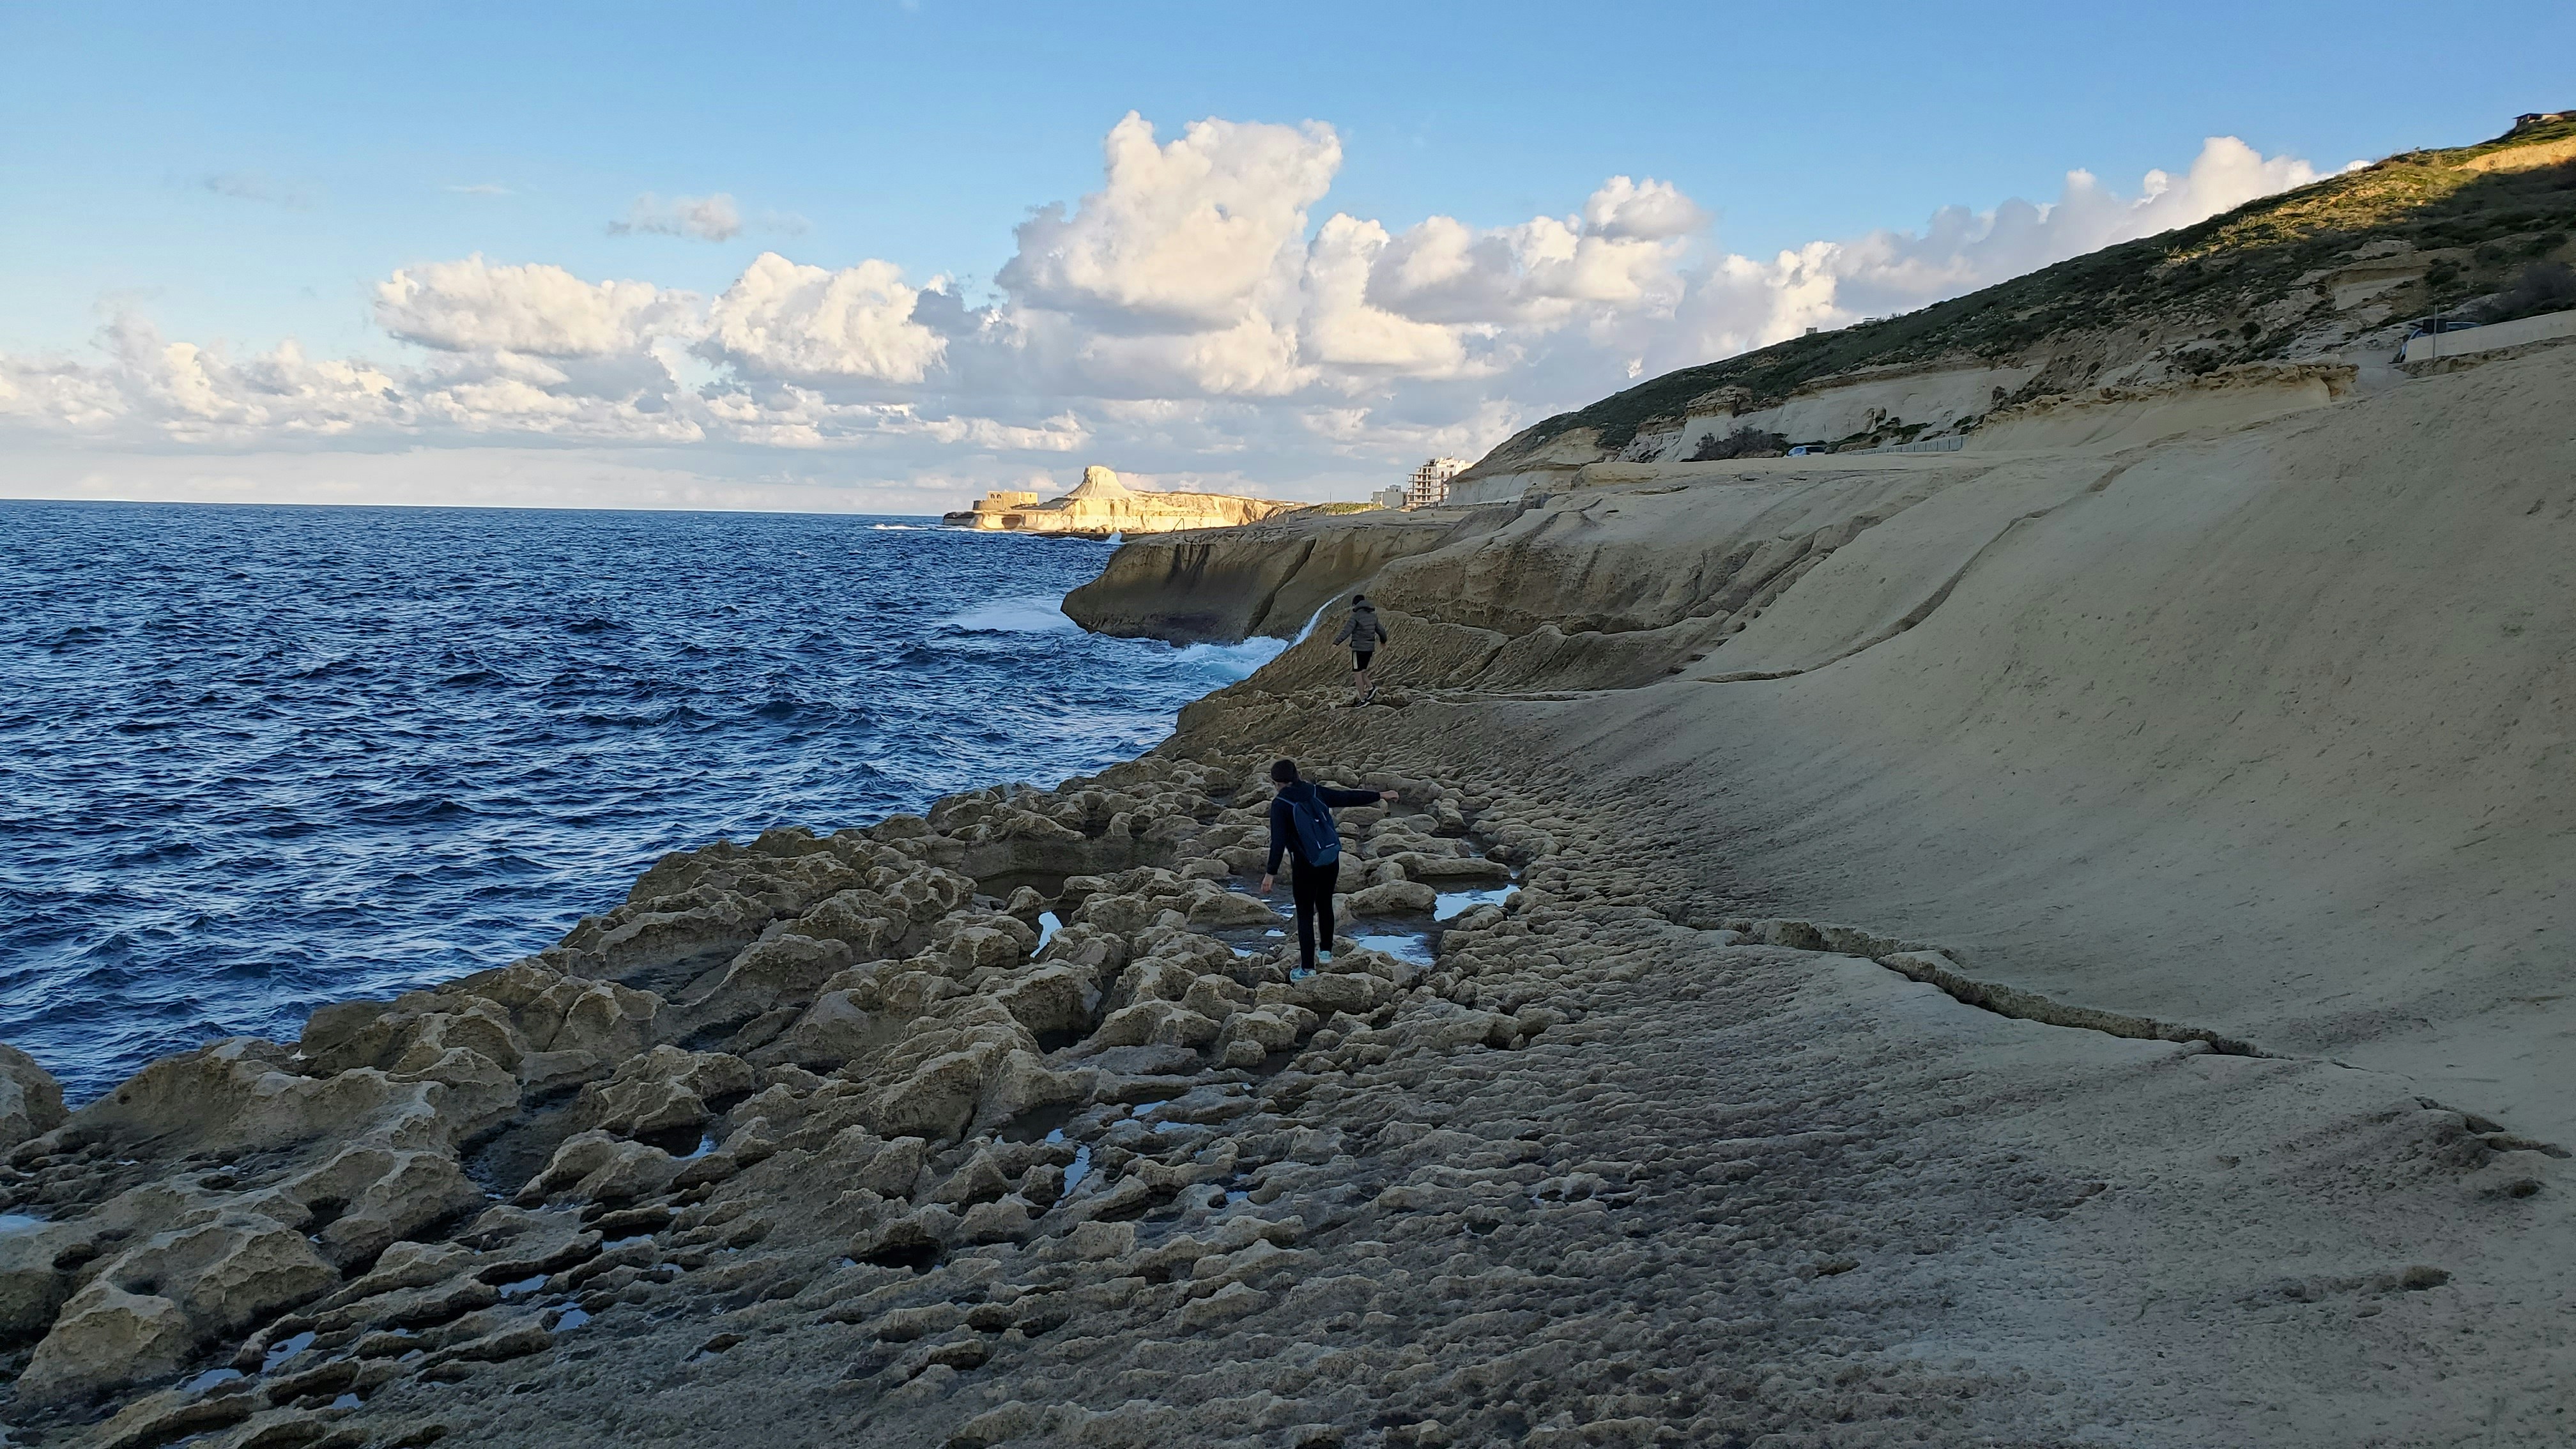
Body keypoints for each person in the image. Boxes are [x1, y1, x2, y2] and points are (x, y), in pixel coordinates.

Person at [1259, 758, 1396, 970]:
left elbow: (1278, 842)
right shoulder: (1315, 791)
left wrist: (1270, 873)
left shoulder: (1280, 804)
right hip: (1330, 858)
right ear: (1297, 774)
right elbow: (1346, 797)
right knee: (1324, 905)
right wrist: (1379, 795)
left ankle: (1307, 969)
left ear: (1275, 781)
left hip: (1305, 864)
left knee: (1305, 914)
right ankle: (1326, 954)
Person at [1331, 594, 1390, 705]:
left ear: (1355, 605)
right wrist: (1383, 642)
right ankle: (1371, 688)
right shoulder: (1373, 616)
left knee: (1357, 674)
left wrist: (1336, 643)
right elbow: (1381, 631)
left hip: (1358, 648)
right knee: (1362, 670)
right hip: (1369, 649)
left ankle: (1363, 700)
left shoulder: (1356, 616)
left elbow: (1347, 631)